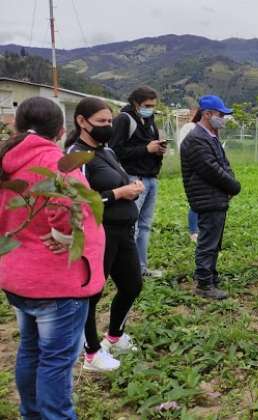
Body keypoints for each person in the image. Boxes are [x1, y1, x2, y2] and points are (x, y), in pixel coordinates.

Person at [0, 97, 105, 418]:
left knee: (30, 351)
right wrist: (67, 235)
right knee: (55, 361)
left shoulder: (7, 162)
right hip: (57, 285)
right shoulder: (58, 166)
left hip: (19, 280)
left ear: (16, 127)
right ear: (61, 131)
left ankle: (31, 413)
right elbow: (75, 214)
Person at [65, 98, 145, 372]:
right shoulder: (76, 156)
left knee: (132, 285)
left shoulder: (106, 151)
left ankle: (115, 335)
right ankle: (91, 353)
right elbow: (77, 200)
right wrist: (118, 194)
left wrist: (130, 186)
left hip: (123, 232)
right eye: (101, 122)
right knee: (92, 293)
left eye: (109, 121)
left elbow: (117, 182)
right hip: (100, 234)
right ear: (82, 121)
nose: (108, 126)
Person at [180, 96, 241, 300]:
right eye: (220, 115)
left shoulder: (210, 136)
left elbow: (224, 164)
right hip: (207, 196)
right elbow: (212, 169)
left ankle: (211, 275)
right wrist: (233, 185)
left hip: (215, 195)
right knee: (207, 242)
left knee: (214, 240)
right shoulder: (197, 138)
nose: (223, 119)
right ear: (207, 114)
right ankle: (204, 284)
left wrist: (230, 182)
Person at [110, 86, 166, 278]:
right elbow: (114, 151)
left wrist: (157, 150)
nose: (150, 109)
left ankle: (141, 268)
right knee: (131, 227)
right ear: (135, 103)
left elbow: (147, 147)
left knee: (145, 226)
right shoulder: (123, 120)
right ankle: (127, 271)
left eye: (153, 106)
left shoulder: (149, 120)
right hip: (133, 179)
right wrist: (146, 149)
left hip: (150, 178)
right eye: (147, 105)